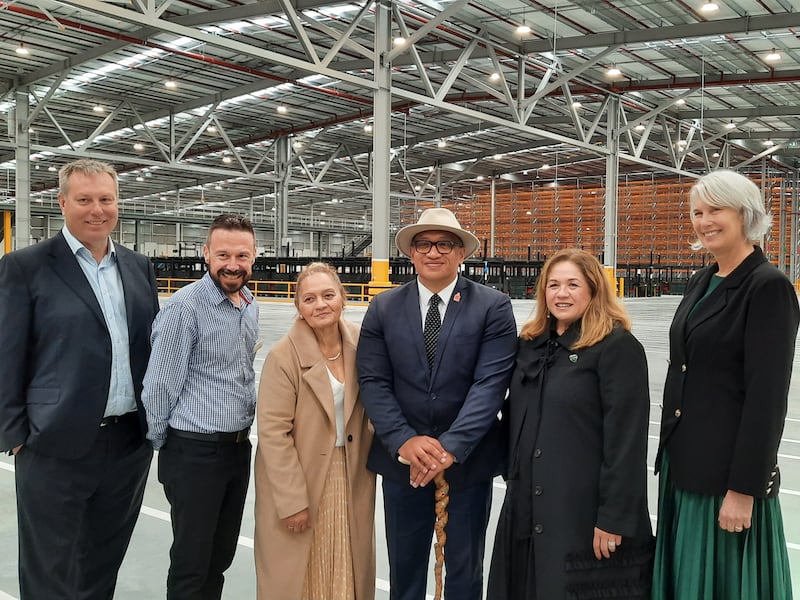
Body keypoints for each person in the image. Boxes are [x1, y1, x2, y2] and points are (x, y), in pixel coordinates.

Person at [0, 159, 160, 599]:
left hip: (128, 443)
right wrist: (16, 434)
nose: (97, 210)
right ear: (62, 202)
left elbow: (150, 347)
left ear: (118, 202)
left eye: (106, 199)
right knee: (49, 572)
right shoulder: (26, 266)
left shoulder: (138, 267)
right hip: (53, 444)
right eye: (84, 200)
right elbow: (6, 354)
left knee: (102, 564)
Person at [357, 207, 517, 600]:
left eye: (445, 244)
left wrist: (451, 447)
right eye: (424, 244)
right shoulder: (383, 307)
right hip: (403, 466)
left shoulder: (492, 306)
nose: (434, 252)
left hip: (467, 465)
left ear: (461, 252)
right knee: (405, 571)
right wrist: (405, 442)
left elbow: (490, 383)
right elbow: (374, 381)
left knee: (465, 572)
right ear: (411, 252)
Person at [653, 169, 799, 598]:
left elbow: (766, 399)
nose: (704, 221)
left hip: (725, 479)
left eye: (716, 210)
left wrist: (744, 489)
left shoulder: (767, 287)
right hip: (683, 466)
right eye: (697, 212)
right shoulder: (703, 279)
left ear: (745, 214)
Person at [487, 248, 654, 600]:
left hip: (582, 511)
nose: (561, 294)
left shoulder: (616, 348)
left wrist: (613, 518)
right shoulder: (530, 345)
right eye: (553, 285)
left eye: (573, 285)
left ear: (594, 290)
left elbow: (626, 441)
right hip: (527, 505)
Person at [141, 213, 259, 600]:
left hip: (237, 450)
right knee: (192, 562)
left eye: (242, 255)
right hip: (194, 452)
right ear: (206, 253)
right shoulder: (184, 308)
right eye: (223, 254)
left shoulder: (248, 304)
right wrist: (167, 444)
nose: (232, 264)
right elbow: (159, 385)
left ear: (254, 257)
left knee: (220, 557)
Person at [254, 262, 376, 600]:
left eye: (327, 295)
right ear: (298, 306)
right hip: (302, 476)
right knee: (302, 572)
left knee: (347, 563)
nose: (320, 305)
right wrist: (292, 502)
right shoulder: (283, 358)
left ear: (343, 298)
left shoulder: (362, 343)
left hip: (349, 474)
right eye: (309, 299)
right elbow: (274, 435)